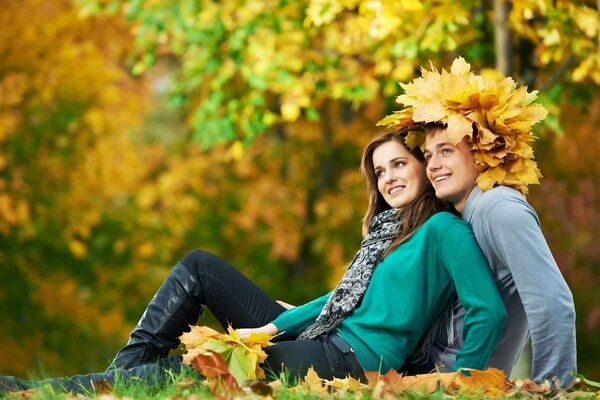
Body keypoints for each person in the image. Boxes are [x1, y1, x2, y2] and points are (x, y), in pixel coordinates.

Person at [0, 130, 507, 394]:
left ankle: (58, 390)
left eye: (400, 163)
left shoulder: (442, 230)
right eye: (379, 171)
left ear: (423, 165)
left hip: (352, 360)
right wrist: (269, 326)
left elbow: (489, 310)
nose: (389, 177)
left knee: (205, 368)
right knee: (199, 265)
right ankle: (118, 377)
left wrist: (457, 385)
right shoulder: (389, 232)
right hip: (329, 338)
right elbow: (341, 301)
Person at [378, 56, 577, 387]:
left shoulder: (499, 207)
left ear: (483, 150)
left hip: (448, 383)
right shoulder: (463, 215)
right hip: (414, 368)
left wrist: (553, 391)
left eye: (447, 151)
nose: (433, 165)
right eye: (429, 156)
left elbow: (553, 304)